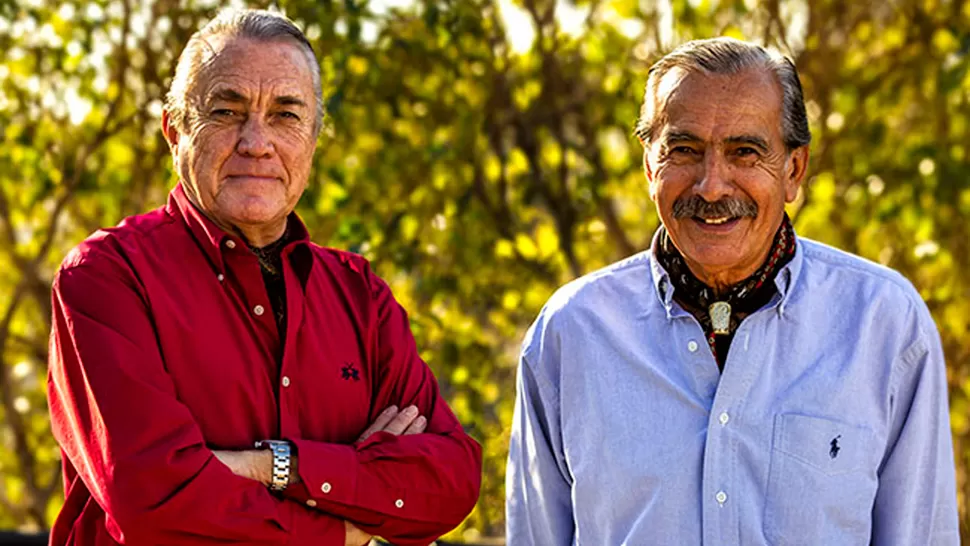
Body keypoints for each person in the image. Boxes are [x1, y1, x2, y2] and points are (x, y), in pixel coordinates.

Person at [47, 9, 481, 546]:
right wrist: (344, 529)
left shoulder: (359, 294)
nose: (257, 142)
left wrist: (271, 466)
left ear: (314, 139)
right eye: (226, 111)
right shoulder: (108, 279)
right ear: (174, 131)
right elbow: (152, 501)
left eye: (285, 115)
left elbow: (450, 482)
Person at [505, 37, 959, 545]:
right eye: (684, 150)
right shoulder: (570, 333)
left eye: (745, 152)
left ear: (793, 169)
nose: (712, 186)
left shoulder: (884, 325)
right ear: (649, 165)